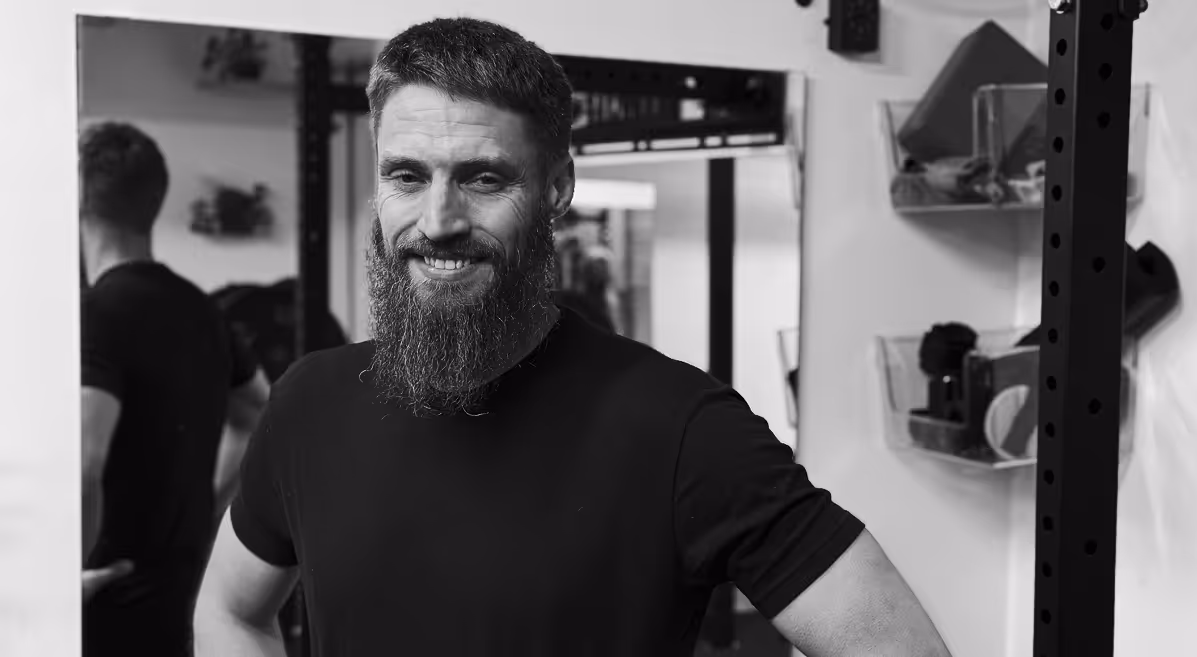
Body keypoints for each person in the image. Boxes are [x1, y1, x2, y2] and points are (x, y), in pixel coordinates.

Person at [194, 17, 952, 657]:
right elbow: (229, 609)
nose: (437, 220)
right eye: (406, 176)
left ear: (557, 189)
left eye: (483, 179)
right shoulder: (308, 402)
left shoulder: (681, 427)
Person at [79, 121, 271, 656]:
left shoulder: (96, 314)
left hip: (103, 611)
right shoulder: (203, 308)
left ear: (77, 199)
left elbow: (84, 462)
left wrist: (64, 579)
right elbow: (258, 406)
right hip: (174, 603)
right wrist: (205, 504)